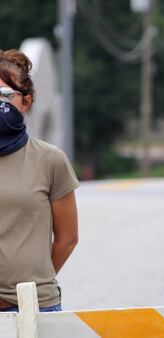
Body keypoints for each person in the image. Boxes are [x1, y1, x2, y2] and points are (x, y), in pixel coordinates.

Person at [0, 49, 79, 311]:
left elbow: (67, 238)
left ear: (26, 101)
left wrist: (34, 284)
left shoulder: (50, 160)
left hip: (36, 308)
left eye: (5, 95)